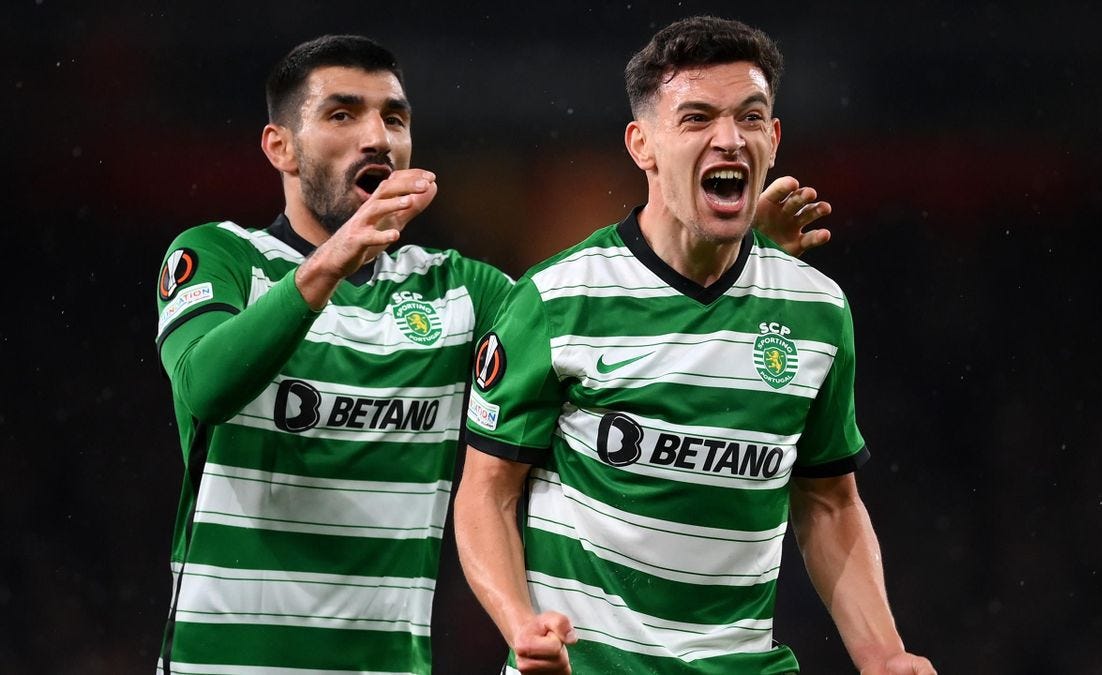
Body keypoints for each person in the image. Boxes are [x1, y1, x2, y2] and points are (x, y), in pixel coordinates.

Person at [153, 33, 833, 675]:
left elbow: (610, 336)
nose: (376, 136)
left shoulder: (460, 291)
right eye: (342, 114)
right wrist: (330, 262)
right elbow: (206, 385)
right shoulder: (221, 257)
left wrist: (742, 257)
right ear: (281, 147)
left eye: (395, 118)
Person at [454, 16, 936, 675]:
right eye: (698, 118)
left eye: (750, 117)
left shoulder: (817, 311)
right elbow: (485, 490)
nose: (729, 139)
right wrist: (520, 624)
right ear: (642, 145)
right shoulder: (555, 300)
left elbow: (828, 502)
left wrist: (882, 654)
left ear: (774, 138)